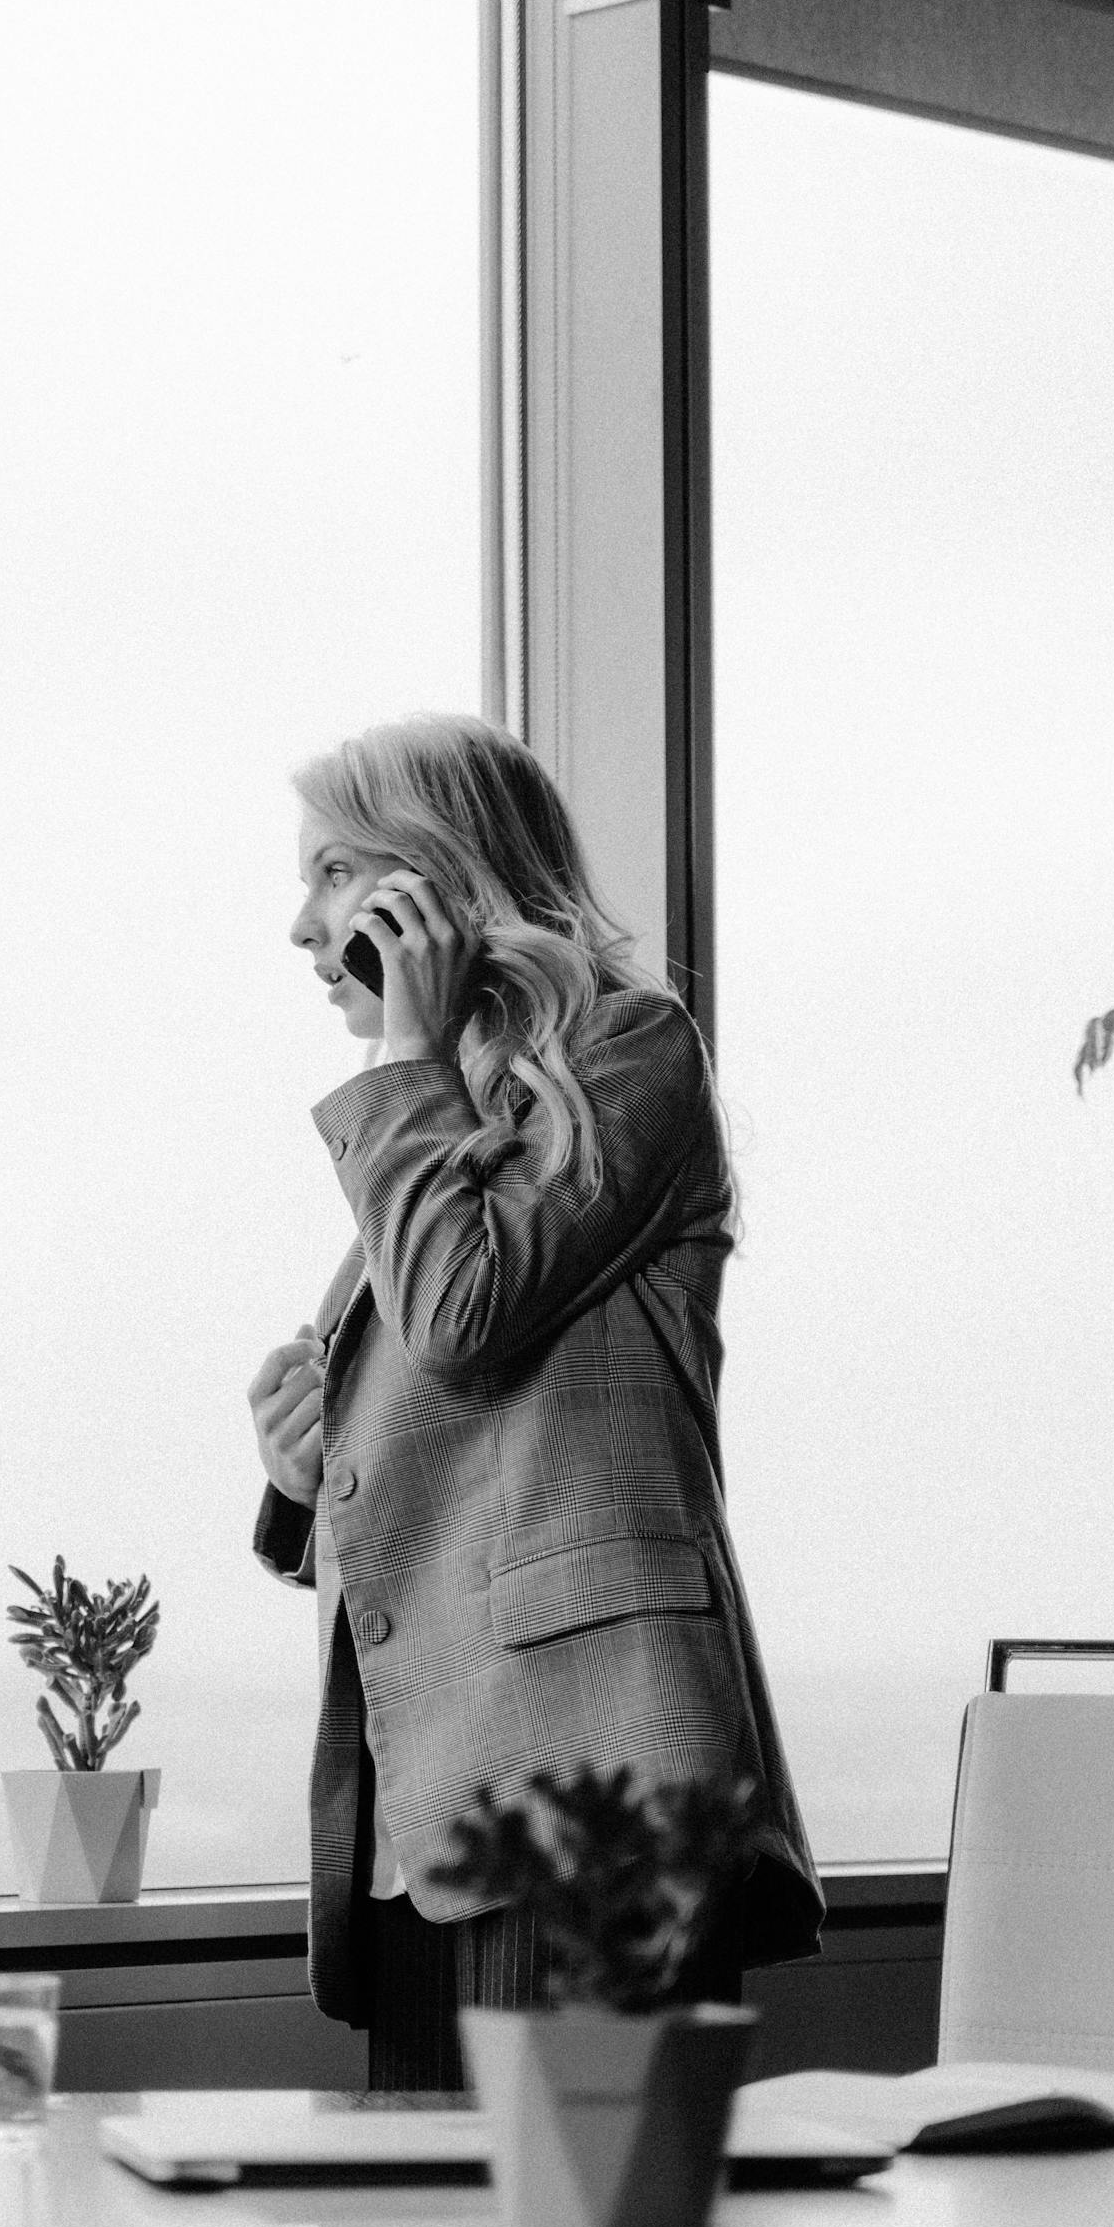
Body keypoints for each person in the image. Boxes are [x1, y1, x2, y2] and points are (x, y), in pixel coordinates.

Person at [248, 712, 822, 2089]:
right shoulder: (455, 1124)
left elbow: (460, 1317)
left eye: (335, 873)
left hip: (591, 1792)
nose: (299, 926)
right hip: (430, 1817)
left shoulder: (634, 1057)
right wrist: (296, 1465)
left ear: (434, 882)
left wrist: (401, 1059)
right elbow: (460, 1432)